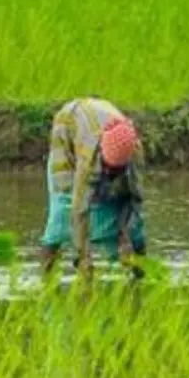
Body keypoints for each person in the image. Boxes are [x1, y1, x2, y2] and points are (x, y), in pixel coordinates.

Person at [38, 98, 145, 281]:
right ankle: (46, 275)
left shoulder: (134, 155)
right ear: (102, 155)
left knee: (132, 227)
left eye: (116, 170)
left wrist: (125, 236)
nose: (110, 173)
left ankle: (139, 276)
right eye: (108, 168)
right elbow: (79, 210)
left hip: (100, 119)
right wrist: (84, 255)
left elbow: (134, 199)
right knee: (62, 207)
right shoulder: (89, 155)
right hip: (68, 126)